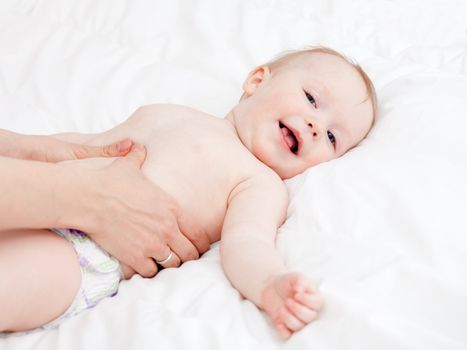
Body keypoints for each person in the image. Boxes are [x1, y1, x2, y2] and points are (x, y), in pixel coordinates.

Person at [0, 46, 377, 339]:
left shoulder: (259, 183)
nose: (315, 125)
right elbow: (84, 147)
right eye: (312, 99)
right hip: (44, 195)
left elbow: (247, 244)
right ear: (258, 81)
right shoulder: (167, 113)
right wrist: (21, 146)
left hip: (82, 253)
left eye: (331, 137)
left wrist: (269, 283)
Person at [0, 130, 210, 277]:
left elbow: (243, 242)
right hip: (70, 194)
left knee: (23, 269)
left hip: (85, 247)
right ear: (245, 82)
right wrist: (94, 199)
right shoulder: (172, 114)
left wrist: (19, 147)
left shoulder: (242, 172)